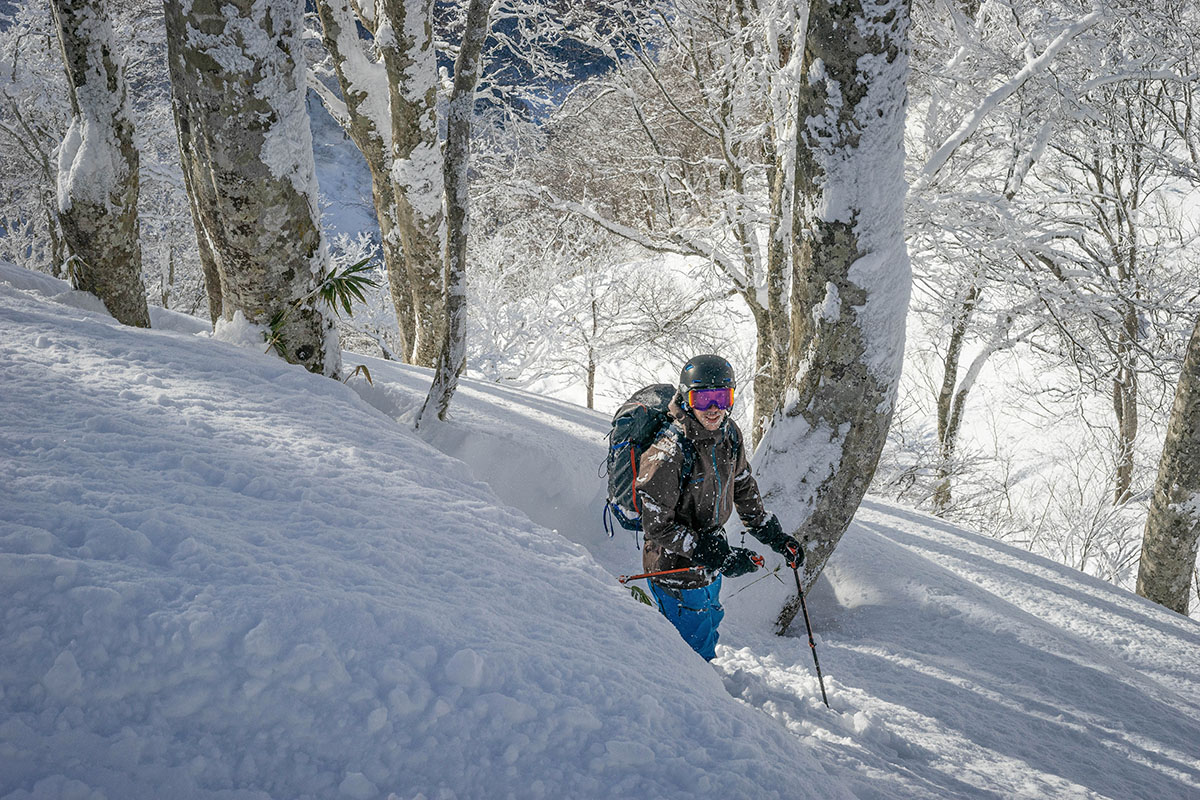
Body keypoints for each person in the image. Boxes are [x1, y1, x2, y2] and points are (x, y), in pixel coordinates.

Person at [635, 354, 801, 660]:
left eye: (722, 397)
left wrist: (772, 534)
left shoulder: (729, 434)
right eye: (703, 398)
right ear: (687, 399)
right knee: (691, 652)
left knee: (710, 625)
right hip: (675, 568)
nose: (714, 409)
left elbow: (742, 483)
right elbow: (656, 527)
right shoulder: (668, 453)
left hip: (708, 561)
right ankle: (694, 699)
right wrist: (713, 553)